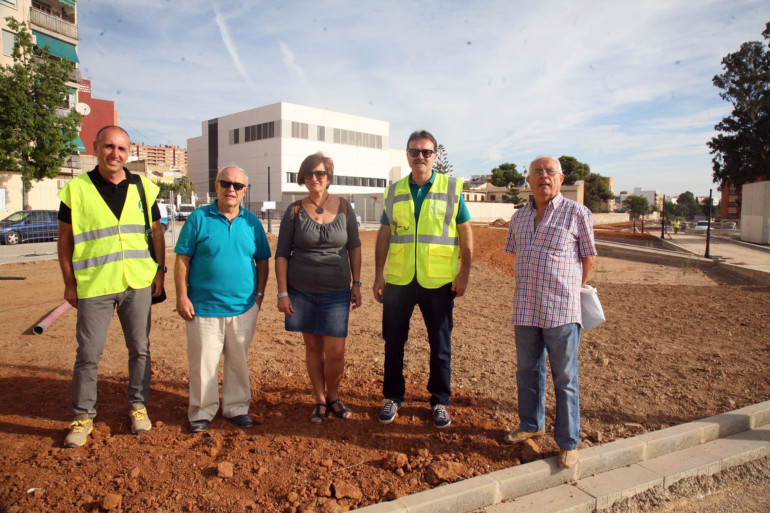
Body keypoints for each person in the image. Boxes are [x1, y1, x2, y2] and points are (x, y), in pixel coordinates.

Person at [57, 125, 166, 448]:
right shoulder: (76, 189)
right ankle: (82, 416)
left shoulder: (144, 187)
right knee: (88, 354)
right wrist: (69, 283)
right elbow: (64, 240)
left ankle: (138, 406)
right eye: (108, 147)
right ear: (95, 147)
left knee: (140, 349)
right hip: (95, 284)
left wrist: (159, 272)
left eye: (121, 148)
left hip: (137, 281)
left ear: (128, 153)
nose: (114, 154)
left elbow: (156, 232)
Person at [372, 130, 473, 429]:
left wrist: (464, 272)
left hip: (438, 282)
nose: (420, 157)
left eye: (426, 152)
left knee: (440, 346)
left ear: (435, 156)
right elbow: (385, 233)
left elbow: (465, 231)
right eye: (414, 151)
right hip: (399, 281)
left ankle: (439, 401)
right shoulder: (394, 191)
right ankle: (392, 397)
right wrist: (378, 274)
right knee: (393, 343)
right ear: (407, 155)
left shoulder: (451, 188)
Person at [502, 155, 597, 469]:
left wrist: (570, 290)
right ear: (528, 180)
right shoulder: (518, 218)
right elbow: (515, 255)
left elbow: (589, 259)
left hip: (562, 311)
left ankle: (568, 442)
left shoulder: (578, 213)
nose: (544, 176)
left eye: (550, 172)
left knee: (565, 378)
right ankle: (531, 424)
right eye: (537, 172)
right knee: (527, 371)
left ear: (561, 178)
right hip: (525, 307)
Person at [174, 166, 271, 433]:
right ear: (216, 186)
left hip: (243, 308)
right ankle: (201, 411)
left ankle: (236, 407)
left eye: (237, 186)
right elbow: (182, 260)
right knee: (204, 363)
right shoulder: (199, 218)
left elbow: (263, 260)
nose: (231, 189)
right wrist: (182, 296)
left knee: (238, 362)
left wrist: (259, 296)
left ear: (245, 191)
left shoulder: (252, 223)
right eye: (226, 183)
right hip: (203, 307)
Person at [275, 152, 362, 424]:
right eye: (309, 174)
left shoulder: (344, 207)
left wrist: (357, 283)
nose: (315, 178)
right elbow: (281, 254)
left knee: (336, 352)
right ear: (303, 178)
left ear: (329, 177)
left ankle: (334, 395)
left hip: (336, 291)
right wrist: (282, 292)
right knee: (313, 349)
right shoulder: (294, 210)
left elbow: (354, 247)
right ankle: (320, 399)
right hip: (301, 291)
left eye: (320, 173)